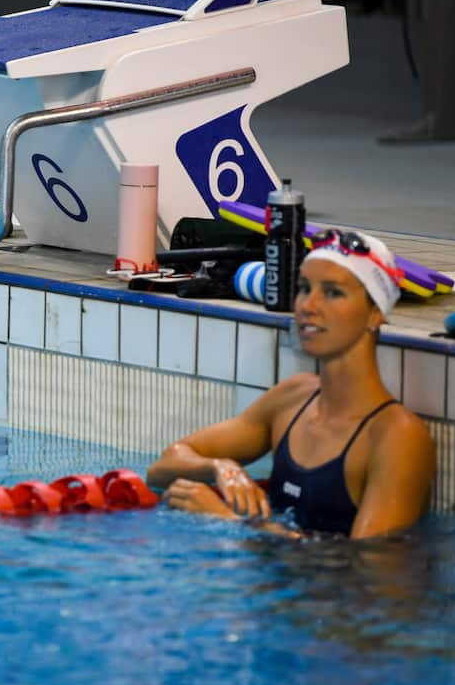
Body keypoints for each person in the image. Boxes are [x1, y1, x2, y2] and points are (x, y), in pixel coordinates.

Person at [146, 229, 435, 539]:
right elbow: (162, 468)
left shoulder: (397, 437)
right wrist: (220, 468)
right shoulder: (292, 398)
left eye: (333, 292)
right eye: (303, 288)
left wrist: (230, 522)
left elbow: (366, 573)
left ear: (375, 313)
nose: (308, 305)